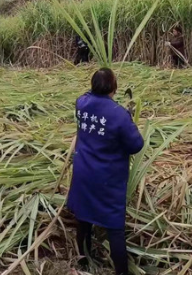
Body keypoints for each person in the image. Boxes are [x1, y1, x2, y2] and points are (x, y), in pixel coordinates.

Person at [68, 68, 145, 275]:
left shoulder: (81, 103)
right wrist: (129, 119)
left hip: (84, 172)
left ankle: (83, 260)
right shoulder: (118, 114)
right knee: (114, 225)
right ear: (114, 87)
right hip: (106, 178)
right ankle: (121, 271)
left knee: (83, 218)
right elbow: (136, 145)